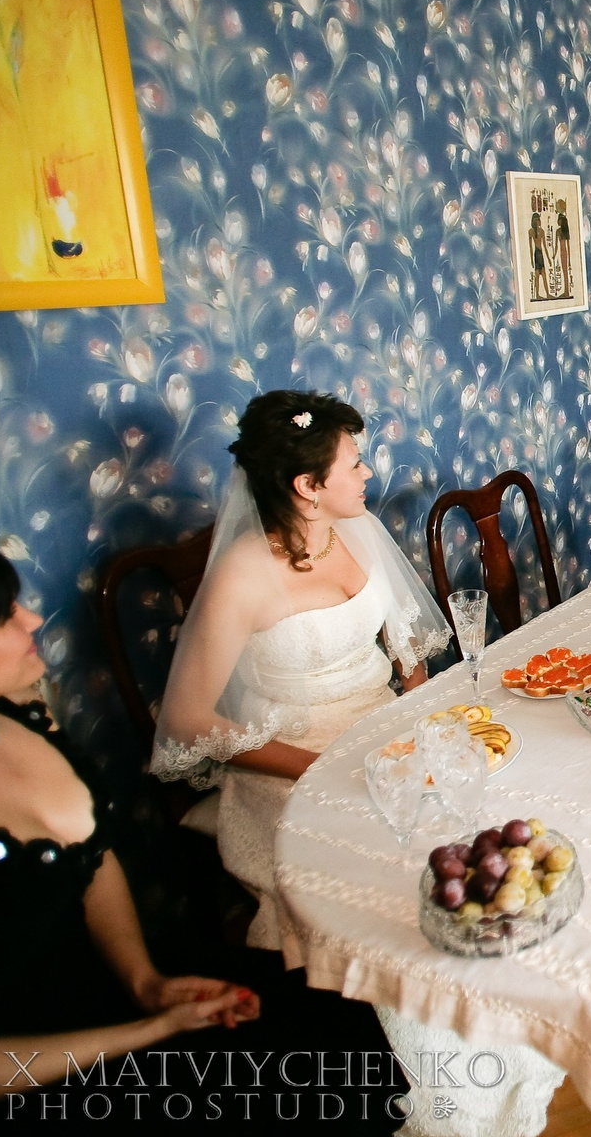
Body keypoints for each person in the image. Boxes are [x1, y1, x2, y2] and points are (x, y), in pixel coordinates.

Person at [0, 527, 258, 1126]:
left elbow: (91, 854)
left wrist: (143, 979)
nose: (33, 620)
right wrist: (149, 1030)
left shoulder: (20, 712)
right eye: (2, 618)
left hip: (113, 990)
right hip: (4, 1078)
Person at [152, 390, 451, 952]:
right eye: (353, 464)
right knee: (388, 875)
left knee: (463, 806)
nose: (367, 473)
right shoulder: (242, 576)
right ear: (308, 486)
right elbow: (185, 719)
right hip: (290, 757)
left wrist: (418, 713)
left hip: (380, 729)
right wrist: (322, 768)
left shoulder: (356, 530)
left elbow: (403, 642)